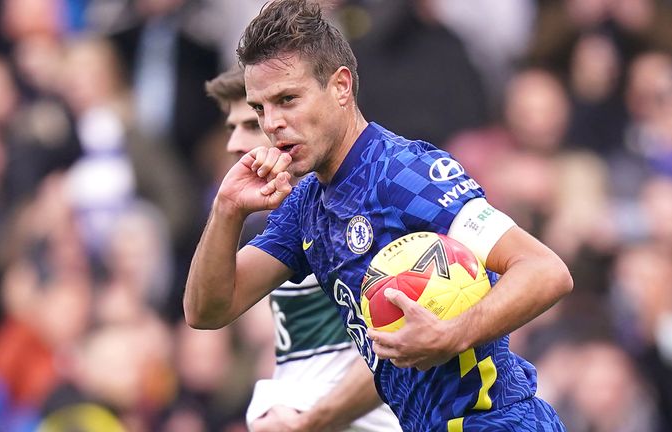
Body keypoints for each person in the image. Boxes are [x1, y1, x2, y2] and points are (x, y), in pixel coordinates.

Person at [184, 0, 573, 430]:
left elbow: (545, 270)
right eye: (261, 109)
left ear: (341, 87)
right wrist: (227, 209)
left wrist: (451, 335)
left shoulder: (406, 173)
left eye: (287, 99)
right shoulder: (305, 206)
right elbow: (208, 310)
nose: (272, 123)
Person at [204, 68, 401, 432]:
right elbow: (205, 312)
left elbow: (399, 347)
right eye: (233, 127)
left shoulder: (370, 208)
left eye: (250, 124)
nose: (234, 143)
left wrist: (307, 418)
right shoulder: (280, 229)